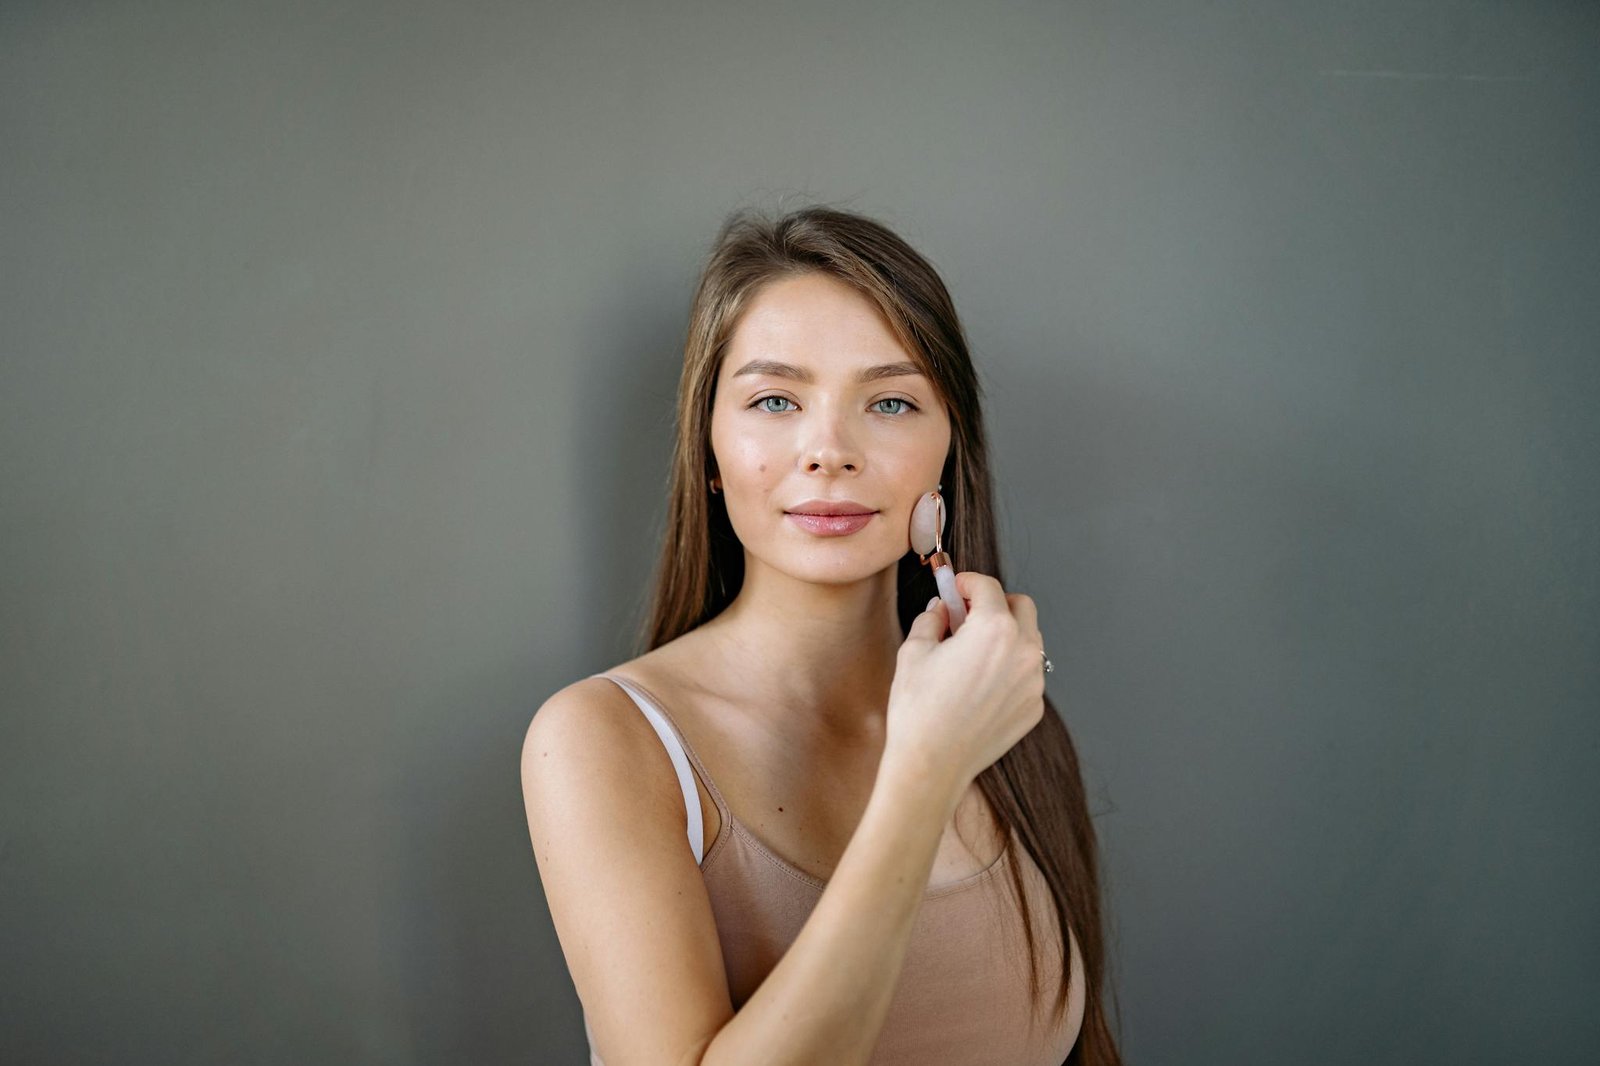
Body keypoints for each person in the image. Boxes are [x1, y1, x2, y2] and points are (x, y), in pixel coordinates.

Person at [521, 204, 1123, 1065]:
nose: (827, 450)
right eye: (774, 399)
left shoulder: (1008, 718)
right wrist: (925, 773)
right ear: (711, 452)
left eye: (888, 401)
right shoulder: (604, 740)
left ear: (948, 451)